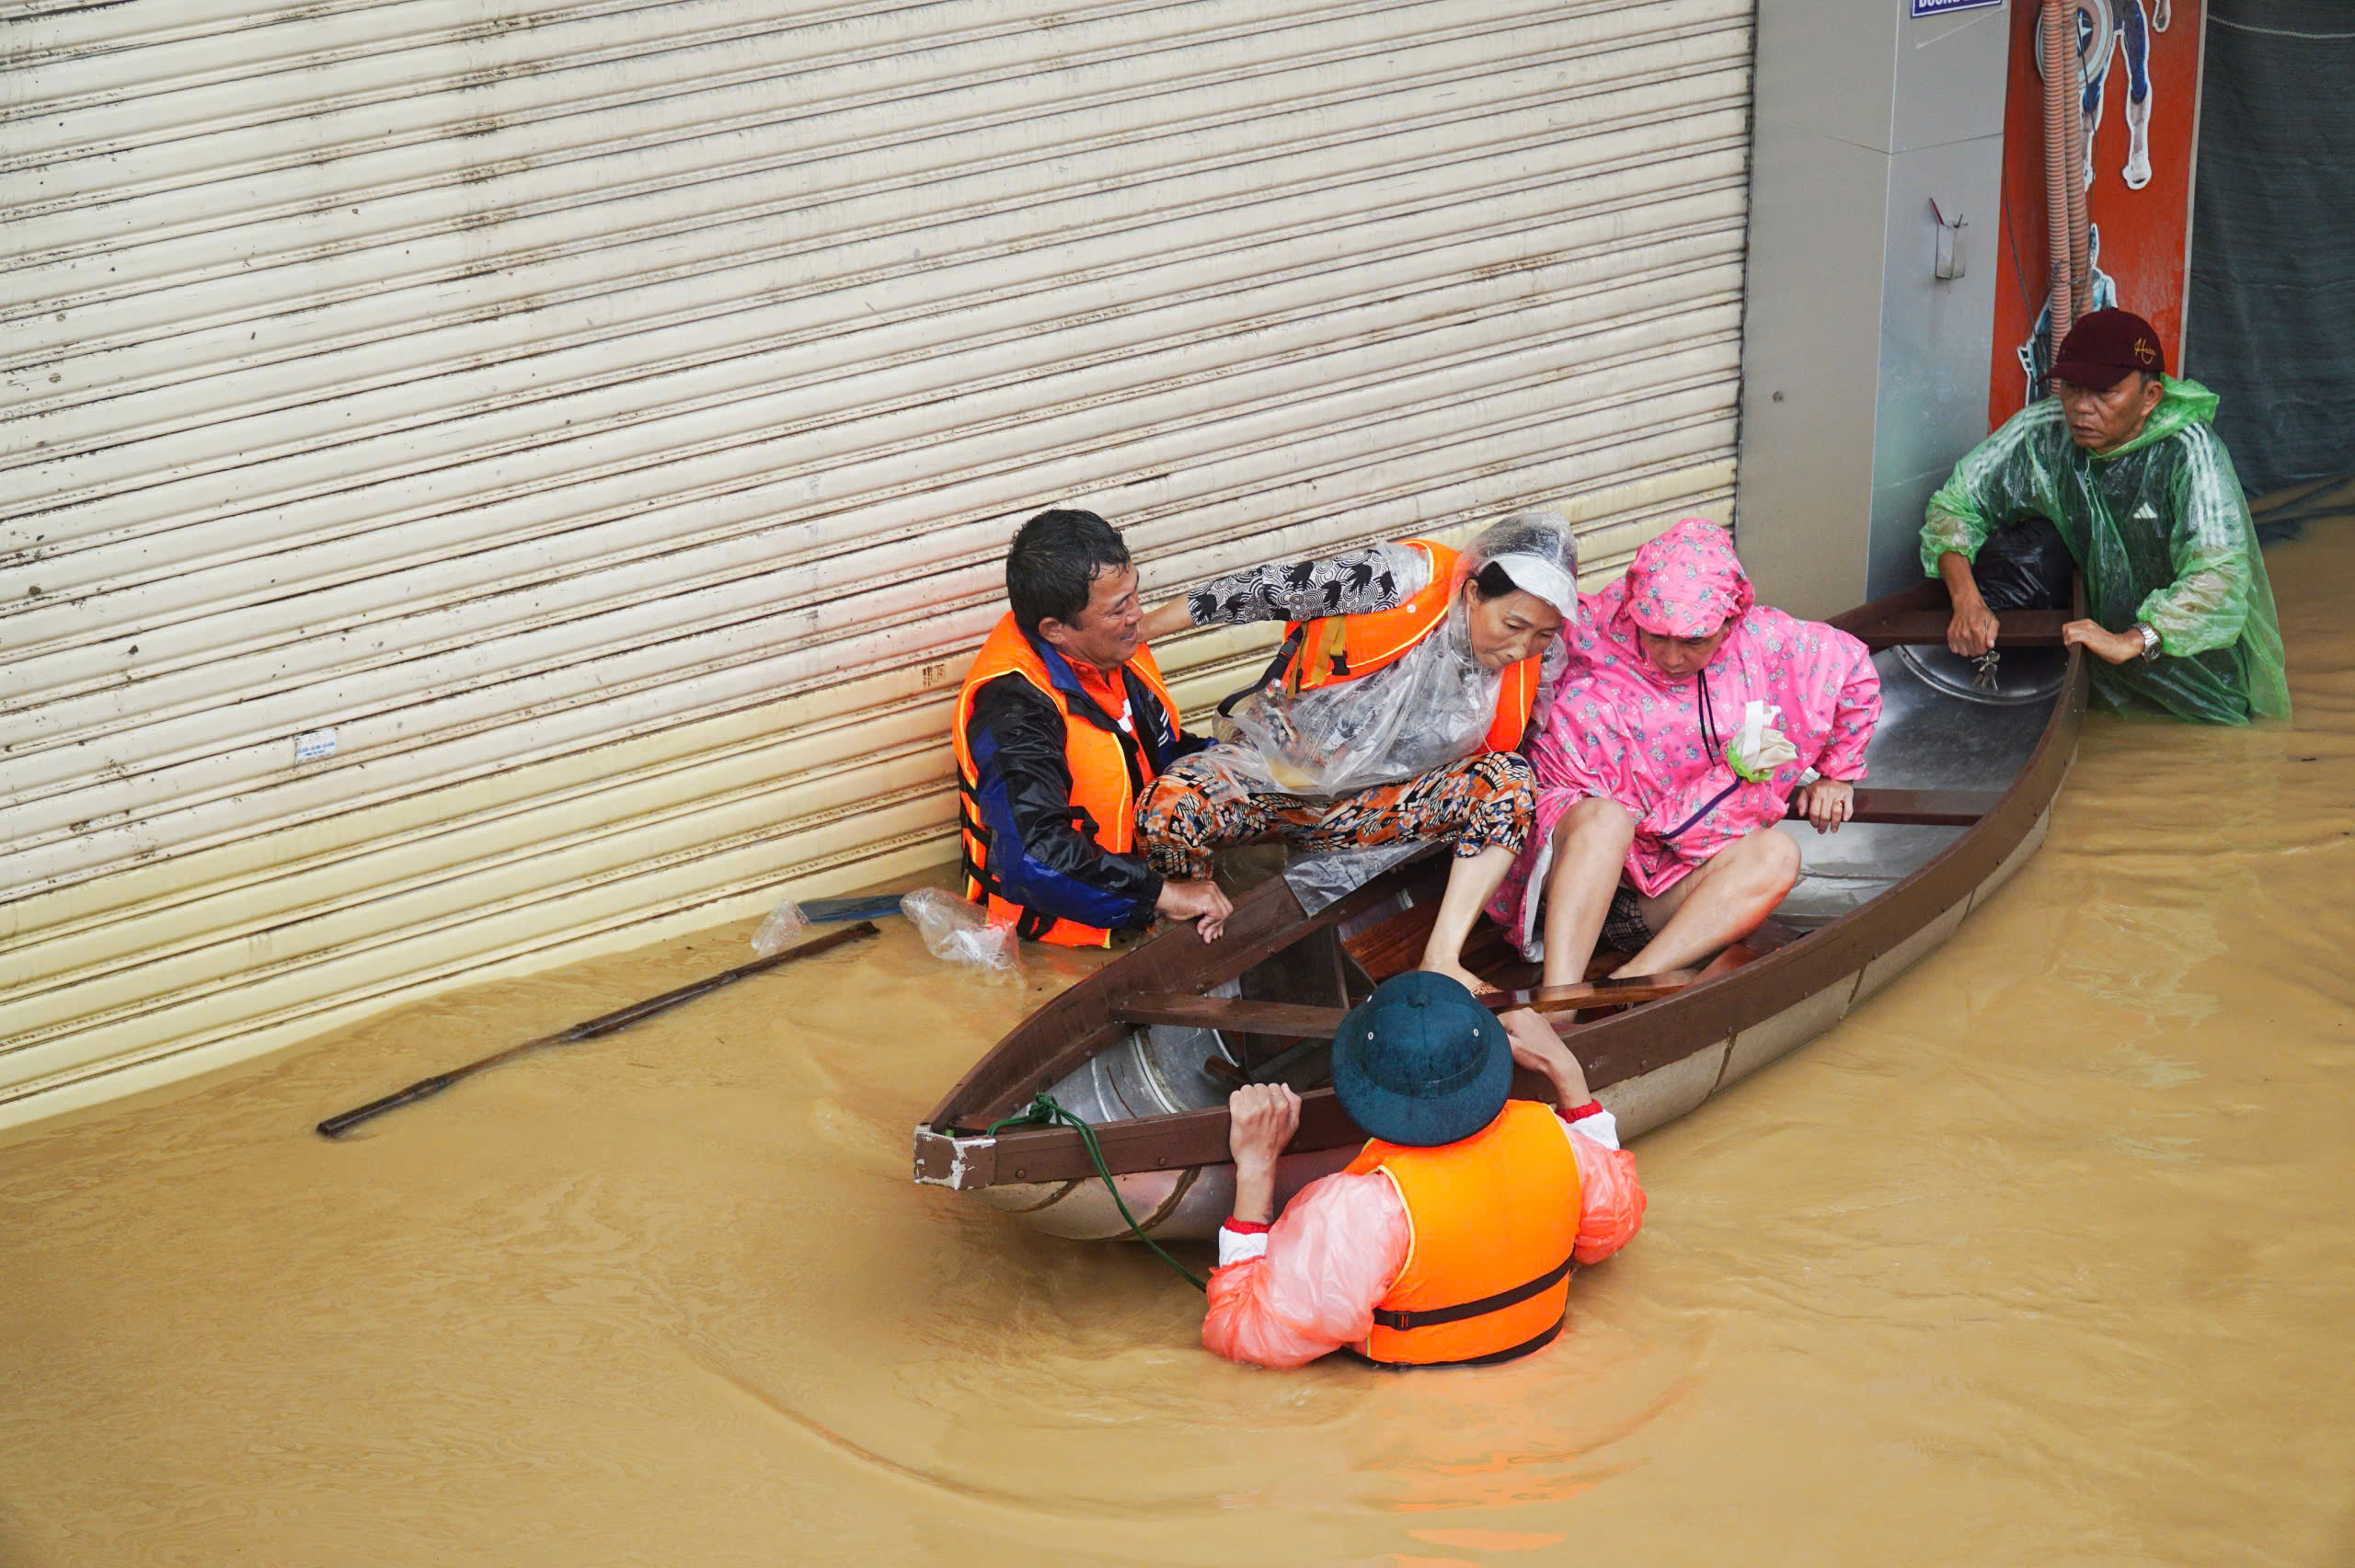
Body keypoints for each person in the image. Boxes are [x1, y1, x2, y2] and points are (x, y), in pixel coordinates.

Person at [1134, 513, 1581, 991]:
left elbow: (1530, 747)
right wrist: (1138, 631)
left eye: (1541, 634)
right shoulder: (1402, 579)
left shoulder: (1541, 656)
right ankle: (1184, 946)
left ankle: (1442, 959)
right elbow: (1264, 590)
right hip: (1280, 780)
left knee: (1508, 779)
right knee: (1166, 810)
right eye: (1513, 624)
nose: (1522, 647)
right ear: (1472, 592)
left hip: (1379, 813)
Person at [1488, 519, 1880, 991]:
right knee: (1607, 821)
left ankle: (1631, 981)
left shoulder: (1766, 642)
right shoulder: (1590, 627)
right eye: (1656, 636)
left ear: (1731, 620)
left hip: (1660, 886)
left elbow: (1854, 668)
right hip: (1568, 868)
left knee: (1776, 855)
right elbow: (1498, 647)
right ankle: (1562, 1000)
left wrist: (1838, 773)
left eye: (1694, 642)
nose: (1672, 657)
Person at [1202, 972, 1644, 1369]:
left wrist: (1257, 1169)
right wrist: (1567, 1074)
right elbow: (1614, 1226)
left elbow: (1243, 1333)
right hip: (1548, 1378)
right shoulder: (1560, 1143)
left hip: (1415, 1411)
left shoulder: (1358, 1213)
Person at [1925, 308, 2291, 724]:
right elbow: (1953, 505)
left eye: (2105, 392)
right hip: (2097, 661)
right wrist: (1967, 601)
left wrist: (2136, 639)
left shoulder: (2188, 448)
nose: (2082, 408)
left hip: (2195, 674)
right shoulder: (2044, 433)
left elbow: (2220, 573)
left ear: (2149, 397)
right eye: (2072, 388)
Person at [952, 509, 1234, 946]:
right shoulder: (1014, 707)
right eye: (1119, 609)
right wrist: (1163, 894)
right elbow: (1034, 857)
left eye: (1136, 595)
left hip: (1139, 889)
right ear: (1055, 630)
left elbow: (1157, 753)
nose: (1139, 616)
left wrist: (1250, 757)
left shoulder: (1114, 651)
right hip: (1062, 938)